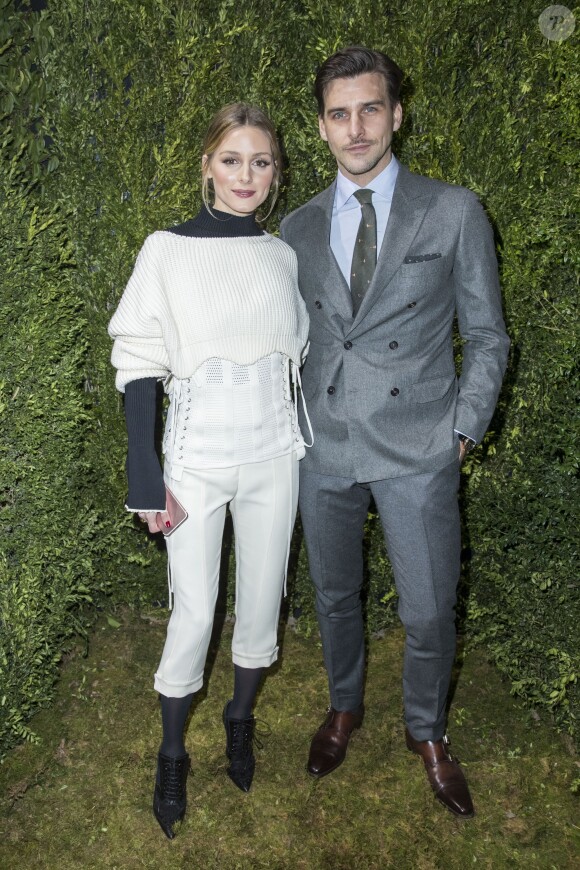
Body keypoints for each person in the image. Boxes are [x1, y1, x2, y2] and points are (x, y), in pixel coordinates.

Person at [280, 46, 510, 818]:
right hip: (327, 447)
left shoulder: (453, 210)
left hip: (418, 445)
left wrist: (463, 431)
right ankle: (344, 705)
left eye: (370, 109)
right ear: (321, 127)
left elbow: (487, 336)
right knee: (335, 595)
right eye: (340, 114)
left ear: (396, 115)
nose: (356, 128)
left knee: (430, 609)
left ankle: (427, 730)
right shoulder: (299, 225)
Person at [108, 103, 310, 839]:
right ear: (206, 166)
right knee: (194, 612)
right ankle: (171, 753)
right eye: (232, 159)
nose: (247, 175)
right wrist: (143, 476)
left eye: (261, 162)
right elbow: (138, 366)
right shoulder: (164, 251)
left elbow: (299, 357)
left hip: (276, 458)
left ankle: (240, 718)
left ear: (277, 173)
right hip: (193, 461)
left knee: (261, 605)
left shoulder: (282, 256)